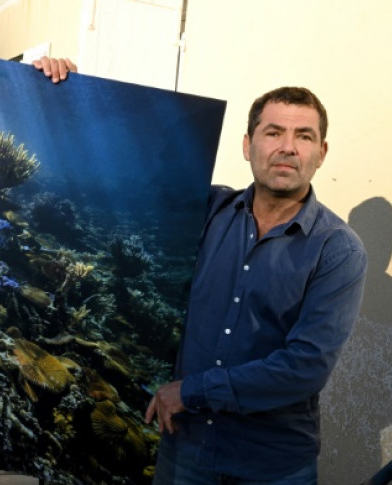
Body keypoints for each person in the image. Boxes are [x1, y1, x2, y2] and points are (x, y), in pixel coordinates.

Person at [144, 86, 368, 484]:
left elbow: (305, 367)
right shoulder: (208, 211)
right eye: (273, 132)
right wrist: (59, 86)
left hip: (270, 468)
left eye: (304, 136)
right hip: (185, 452)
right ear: (248, 146)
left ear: (321, 153)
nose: (288, 147)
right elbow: (148, 170)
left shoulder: (338, 250)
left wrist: (190, 392)